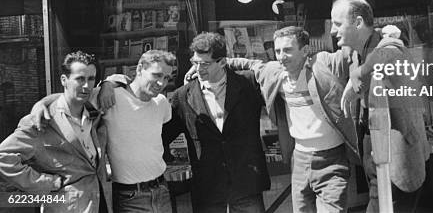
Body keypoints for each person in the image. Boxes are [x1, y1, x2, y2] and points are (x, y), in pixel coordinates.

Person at [222, 26, 359, 213]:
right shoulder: (274, 72)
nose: (281, 56)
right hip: (299, 160)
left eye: (287, 50)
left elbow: (354, 53)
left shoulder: (323, 62)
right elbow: (249, 64)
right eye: (278, 51)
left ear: (305, 50)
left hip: (332, 159)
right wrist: (208, 66)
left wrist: (386, 36)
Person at [31, 50, 175, 213]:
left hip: (162, 190)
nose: (162, 83)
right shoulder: (110, 97)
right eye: (157, 75)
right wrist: (41, 104)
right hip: (130, 196)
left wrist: (110, 81)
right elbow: (69, 97)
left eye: (166, 78)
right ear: (140, 69)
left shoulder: (162, 103)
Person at [331, 0, 430, 213]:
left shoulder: (388, 44)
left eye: (338, 24)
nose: (332, 30)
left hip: (398, 160)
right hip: (375, 159)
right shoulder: (353, 54)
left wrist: (357, 77)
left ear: (357, 22)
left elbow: (390, 51)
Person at [164, 32, 270, 212]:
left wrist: (237, 62)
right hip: (208, 189)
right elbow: (162, 136)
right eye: (195, 62)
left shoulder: (249, 83)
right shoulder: (182, 96)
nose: (198, 69)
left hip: (246, 184)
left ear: (222, 62)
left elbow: (273, 68)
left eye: (204, 63)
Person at [0, 51, 112, 213]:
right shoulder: (42, 120)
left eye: (91, 79)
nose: (87, 86)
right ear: (64, 80)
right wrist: (48, 183)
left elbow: (121, 80)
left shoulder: (93, 114)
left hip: (99, 204)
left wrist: (107, 83)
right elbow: (3, 158)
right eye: (80, 79)